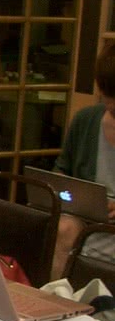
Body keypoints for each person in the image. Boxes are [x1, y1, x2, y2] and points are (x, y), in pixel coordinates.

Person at [51, 42, 115, 276]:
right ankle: (57, 295)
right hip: (88, 221)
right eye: (107, 97)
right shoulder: (86, 120)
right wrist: (74, 196)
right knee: (63, 228)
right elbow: (61, 172)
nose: (112, 105)